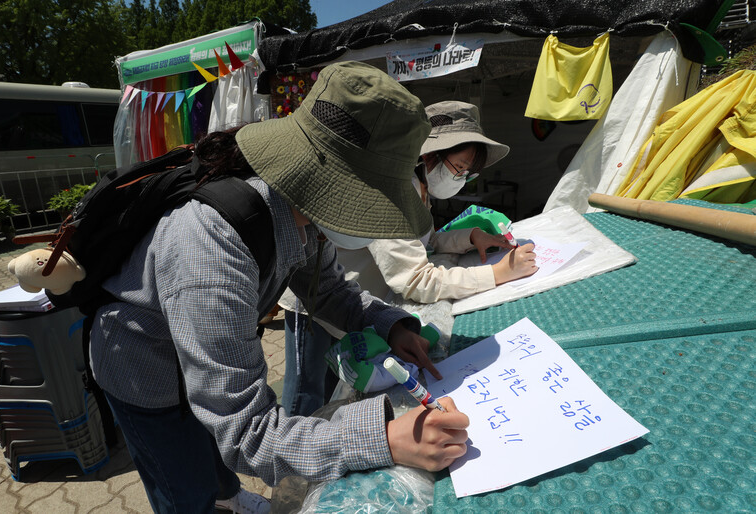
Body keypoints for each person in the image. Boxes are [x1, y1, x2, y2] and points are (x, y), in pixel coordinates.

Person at [89, 61, 469, 514]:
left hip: (198, 348)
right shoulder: (210, 244)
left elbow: (330, 291)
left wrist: (394, 326)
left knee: (209, 452)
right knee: (182, 485)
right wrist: (383, 438)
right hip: (143, 368)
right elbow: (245, 429)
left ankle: (227, 496)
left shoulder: (302, 212)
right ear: (335, 186)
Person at [281, 101, 538, 417]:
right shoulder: (395, 191)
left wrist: (470, 237)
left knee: (339, 380)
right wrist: (497, 274)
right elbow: (418, 280)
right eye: (460, 167)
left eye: (469, 173)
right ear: (430, 155)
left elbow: (424, 244)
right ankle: (293, 458)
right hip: (317, 304)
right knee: (305, 398)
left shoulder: (419, 186)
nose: (462, 177)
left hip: (354, 303)